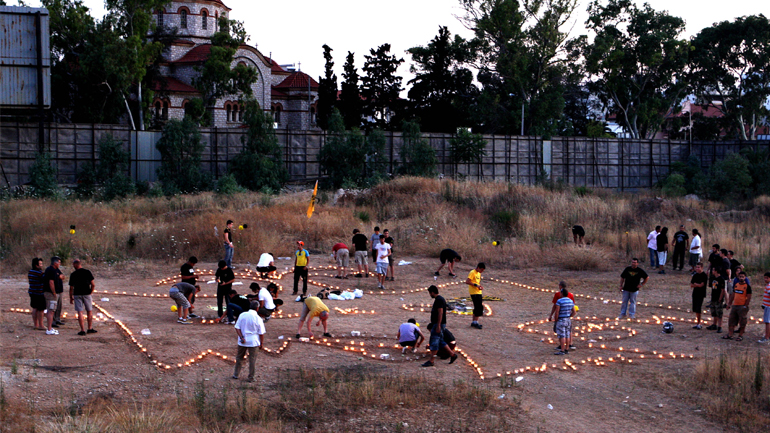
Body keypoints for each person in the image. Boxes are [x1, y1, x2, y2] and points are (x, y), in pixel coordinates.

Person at [422, 285, 458, 367]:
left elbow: (440, 312)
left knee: (434, 342)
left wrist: (438, 325)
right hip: (438, 323)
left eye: (429, 293)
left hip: (438, 324)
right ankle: (452, 355)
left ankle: (431, 361)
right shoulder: (439, 299)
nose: (430, 295)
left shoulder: (439, 300)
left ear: (432, 292)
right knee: (441, 341)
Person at [232, 304, 266, 382]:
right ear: (257, 308)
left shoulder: (242, 315)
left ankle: (236, 374)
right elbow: (261, 333)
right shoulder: (258, 318)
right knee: (252, 360)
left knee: (239, 357)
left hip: (242, 341)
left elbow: (237, 327)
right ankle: (251, 377)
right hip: (253, 341)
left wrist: (241, 337)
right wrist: (261, 343)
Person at [69, 259, 96, 336]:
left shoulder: (73, 274)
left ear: (75, 265)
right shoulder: (87, 272)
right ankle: (90, 328)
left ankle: (82, 330)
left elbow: (71, 287)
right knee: (89, 311)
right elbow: (93, 284)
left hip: (77, 294)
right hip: (87, 293)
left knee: (80, 312)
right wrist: (91, 292)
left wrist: (71, 297)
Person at [724, 271, 751, 341]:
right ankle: (730, 334)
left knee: (742, 321)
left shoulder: (747, 286)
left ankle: (740, 335)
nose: (741, 278)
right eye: (740, 276)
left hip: (742, 306)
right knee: (731, 320)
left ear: (745, 277)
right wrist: (729, 303)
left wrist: (745, 305)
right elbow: (733, 295)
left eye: (743, 277)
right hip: (735, 305)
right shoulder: (736, 285)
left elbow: (749, 297)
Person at [549, 286, 576, 355]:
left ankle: (562, 350)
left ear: (562, 293)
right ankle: (567, 349)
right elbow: (574, 312)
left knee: (562, 335)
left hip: (561, 320)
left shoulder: (559, 301)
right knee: (567, 335)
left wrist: (556, 319)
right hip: (568, 320)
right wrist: (569, 316)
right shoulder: (570, 301)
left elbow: (557, 311)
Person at [43, 256, 65, 335]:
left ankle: (51, 326)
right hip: (51, 293)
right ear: (55, 263)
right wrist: (54, 293)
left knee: (53, 309)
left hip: (57, 292)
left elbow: (62, 276)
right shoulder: (51, 270)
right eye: (59, 262)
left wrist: (59, 277)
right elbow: (51, 282)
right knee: (51, 310)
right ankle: (49, 328)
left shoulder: (56, 270)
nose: (60, 264)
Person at [706, 267, 727, 333]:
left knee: (719, 313)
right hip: (713, 297)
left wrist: (720, 298)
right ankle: (714, 324)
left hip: (718, 298)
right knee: (714, 312)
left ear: (716, 271)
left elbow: (723, 290)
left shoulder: (721, 279)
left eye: (713, 270)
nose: (712, 271)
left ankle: (720, 326)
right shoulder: (713, 278)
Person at [466, 262, 486, 329]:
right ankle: (475, 322)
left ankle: (474, 321)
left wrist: (479, 286)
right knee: (478, 307)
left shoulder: (479, 274)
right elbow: (467, 281)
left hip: (478, 292)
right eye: (481, 270)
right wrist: (475, 285)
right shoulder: (472, 272)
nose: (482, 271)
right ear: (478, 267)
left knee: (478, 307)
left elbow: (477, 282)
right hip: (474, 292)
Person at [27, 257, 45, 330]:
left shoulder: (30, 272)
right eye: (40, 264)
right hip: (39, 292)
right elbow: (44, 280)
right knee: (41, 309)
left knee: (34, 308)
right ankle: (41, 325)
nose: (41, 265)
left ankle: (35, 324)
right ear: (36, 265)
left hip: (32, 292)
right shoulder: (40, 273)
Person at [690, 262, 708, 329]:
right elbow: (691, 285)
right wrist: (697, 285)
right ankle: (697, 322)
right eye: (696, 267)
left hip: (701, 294)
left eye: (698, 267)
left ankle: (699, 323)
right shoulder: (695, 275)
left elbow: (701, 285)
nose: (697, 268)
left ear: (702, 267)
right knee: (695, 308)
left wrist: (696, 284)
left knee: (698, 308)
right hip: (695, 293)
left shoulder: (704, 276)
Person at [759, 272, 770, 343]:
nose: (765, 279)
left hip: (768, 307)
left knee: (767, 322)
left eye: (767, 278)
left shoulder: (769, 286)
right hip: (767, 306)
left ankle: (766, 337)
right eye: (764, 277)